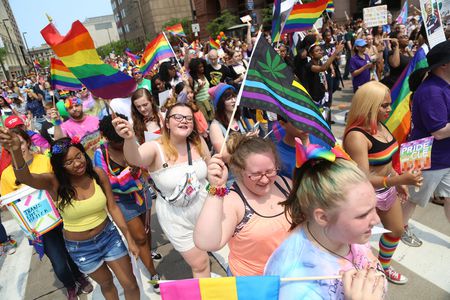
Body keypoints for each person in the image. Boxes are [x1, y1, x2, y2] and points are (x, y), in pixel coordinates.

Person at [0, 129, 140, 299]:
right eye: (68, 162)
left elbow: (113, 207)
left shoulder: (98, 173)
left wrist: (130, 238)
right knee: (107, 284)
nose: (77, 164)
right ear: (59, 166)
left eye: (79, 156)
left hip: (109, 237)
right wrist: (15, 150)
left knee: (130, 283)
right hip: (81, 249)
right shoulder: (54, 182)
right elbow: (25, 177)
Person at [264, 144, 386, 299]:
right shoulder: (297, 285)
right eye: (362, 215)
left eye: (374, 207)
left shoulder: (347, 233)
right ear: (323, 217)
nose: (377, 219)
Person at [113, 102, 212, 278]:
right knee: (200, 264)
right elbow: (135, 158)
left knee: (210, 250)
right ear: (166, 123)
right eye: (178, 117)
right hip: (176, 218)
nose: (184, 121)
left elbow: (211, 169)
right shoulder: (154, 147)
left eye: (189, 118)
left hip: (205, 208)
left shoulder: (198, 142)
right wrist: (128, 139)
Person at [343, 81, 422, 284]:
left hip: (387, 191)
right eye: (384, 105)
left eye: (389, 104)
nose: (389, 109)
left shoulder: (381, 125)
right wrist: (397, 179)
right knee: (356, 242)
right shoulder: (356, 136)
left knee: (396, 231)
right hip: (363, 197)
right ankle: (356, 274)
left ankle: (383, 267)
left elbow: (386, 162)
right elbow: (363, 178)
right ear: (369, 105)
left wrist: (398, 181)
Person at [0, 128, 93, 299]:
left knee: (71, 252)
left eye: (21, 142)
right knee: (58, 263)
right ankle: (70, 285)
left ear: (28, 142)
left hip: (62, 217)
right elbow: (9, 204)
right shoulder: (6, 175)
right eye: (14, 145)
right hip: (41, 228)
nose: (19, 147)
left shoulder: (45, 160)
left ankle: (79, 275)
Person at [194, 135, 292, 276]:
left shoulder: (285, 183)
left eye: (270, 171)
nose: (265, 179)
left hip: (288, 278)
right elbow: (206, 243)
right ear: (240, 171)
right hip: (253, 284)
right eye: (256, 174)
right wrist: (216, 187)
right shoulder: (233, 201)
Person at [94, 114, 161, 293]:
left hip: (142, 193)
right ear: (108, 138)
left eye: (124, 139)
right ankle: (154, 275)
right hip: (121, 201)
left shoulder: (132, 141)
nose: (122, 144)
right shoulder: (101, 154)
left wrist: (139, 169)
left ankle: (148, 252)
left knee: (146, 232)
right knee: (138, 237)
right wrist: (127, 174)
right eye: (118, 142)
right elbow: (106, 181)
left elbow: (145, 164)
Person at [402, 40, 450, 246]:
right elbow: (439, 132)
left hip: (443, 156)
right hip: (424, 156)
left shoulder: (442, 85)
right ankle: (399, 229)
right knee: (411, 199)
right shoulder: (431, 91)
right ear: (444, 65)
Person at [208, 83, 252, 162]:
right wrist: (245, 140)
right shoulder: (215, 126)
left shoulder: (238, 119)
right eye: (229, 98)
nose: (234, 100)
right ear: (220, 103)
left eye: (234, 96)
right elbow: (225, 157)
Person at [188, 58, 214, 122]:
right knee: (205, 120)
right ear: (195, 68)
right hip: (200, 102)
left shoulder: (205, 75)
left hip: (209, 100)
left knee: (213, 118)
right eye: (199, 67)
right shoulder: (191, 79)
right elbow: (191, 95)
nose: (202, 68)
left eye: (202, 66)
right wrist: (199, 88)